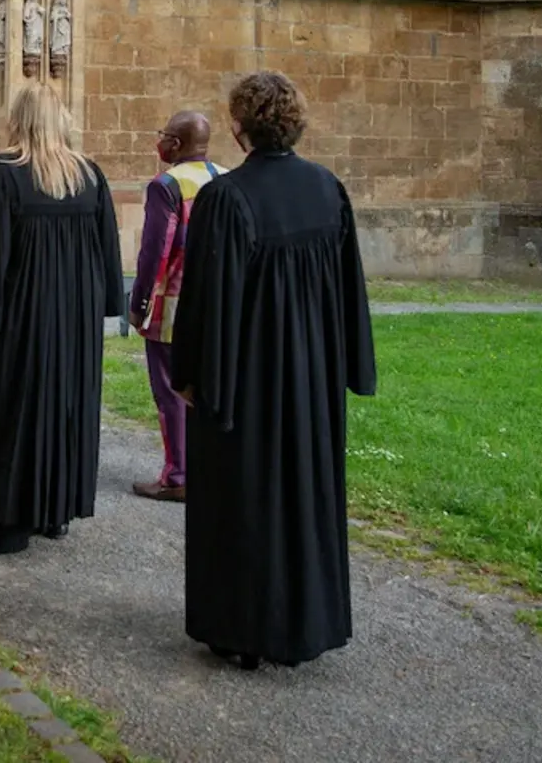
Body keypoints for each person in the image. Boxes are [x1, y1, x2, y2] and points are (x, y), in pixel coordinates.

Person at [172, 71, 376, 670]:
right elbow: (349, 294)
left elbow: (206, 303)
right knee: (305, 491)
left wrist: (191, 375)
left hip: (247, 382)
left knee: (247, 495)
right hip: (311, 379)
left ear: (239, 128)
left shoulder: (227, 199)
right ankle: (306, 620)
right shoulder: (326, 188)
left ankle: (243, 627)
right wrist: (347, 367)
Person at [0, 84, 124, 556]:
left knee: (11, 410)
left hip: (14, 323)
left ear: (17, 120)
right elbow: (106, 257)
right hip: (70, 325)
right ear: (61, 119)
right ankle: (53, 510)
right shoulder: (88, 178)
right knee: (61, 408)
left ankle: (10, 522)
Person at [128, 112, 225, 502]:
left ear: (179, 144)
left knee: (171, 393)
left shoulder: (166, 185)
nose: (160, 142)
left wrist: (139, 304)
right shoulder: (225, 176)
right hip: (216, 305)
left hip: (174, 307)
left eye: (164, 136)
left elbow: (155, 251)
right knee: (208, 389)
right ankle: (212, 469)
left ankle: (179, 474)